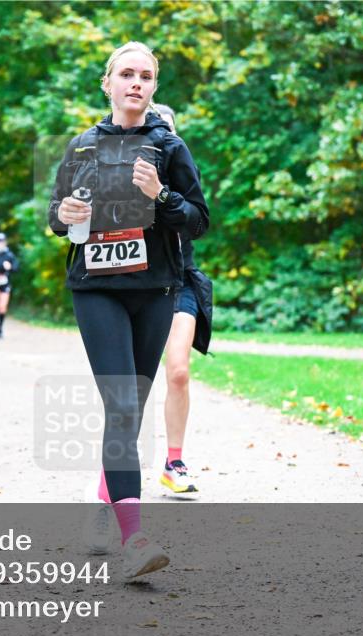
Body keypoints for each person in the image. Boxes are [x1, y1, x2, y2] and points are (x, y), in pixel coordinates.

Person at [48, 42, 209, 578]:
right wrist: (65, 212)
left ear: (154, 87)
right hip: (96, 288)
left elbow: (197, 219)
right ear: (108, 84)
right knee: (121, 403)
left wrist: (161, 195)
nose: (135, 83)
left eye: (145, 76)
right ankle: (135, 538)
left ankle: (106, 501)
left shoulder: (170, 147)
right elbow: (56, 217)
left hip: (156, 288)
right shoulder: (82, 148)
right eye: (126, 74)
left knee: (132, 408)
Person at [153, 103, 214, 497]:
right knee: (131, 384)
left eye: (170, 130)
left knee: (177, 371)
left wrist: (164, 196)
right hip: (138, 286)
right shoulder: (121, 177)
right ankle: (116, 468)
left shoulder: (182, 176)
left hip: (179, 283)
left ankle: (173, 462)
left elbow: (198, 220)